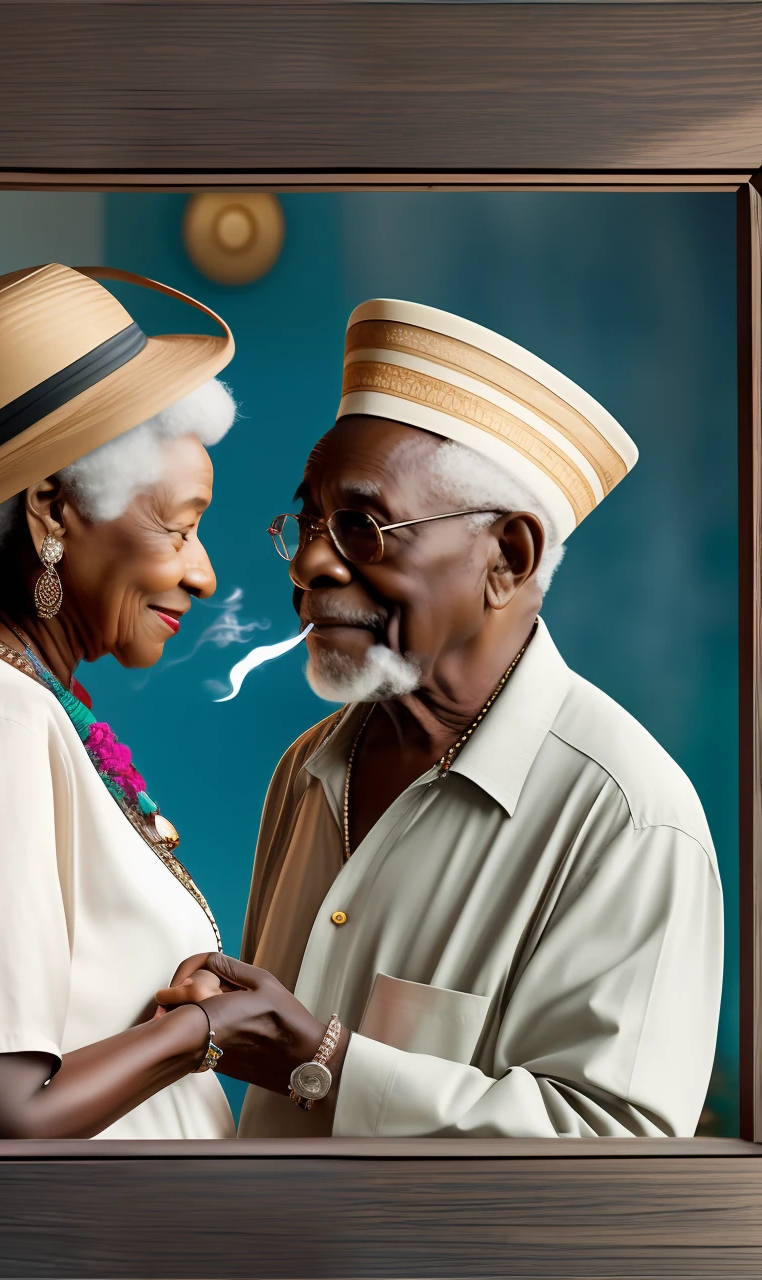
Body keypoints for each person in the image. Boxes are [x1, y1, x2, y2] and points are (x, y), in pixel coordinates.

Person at [162, 298, 725, 1139]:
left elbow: (614, 1155)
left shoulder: (629, 816)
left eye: (360, 525)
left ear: (509, 558)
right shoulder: (309, 769)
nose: (313, 561)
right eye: (309, 523)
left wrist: (323, 1057)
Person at [0, 262, 247, 1140]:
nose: (203, 571)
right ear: (53, 508)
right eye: (179, 527)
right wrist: (205, 1028)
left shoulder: (5, 700)